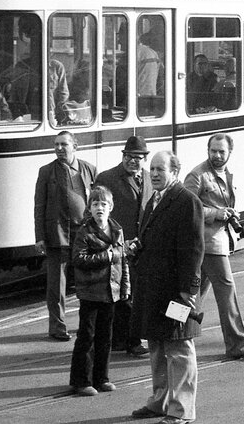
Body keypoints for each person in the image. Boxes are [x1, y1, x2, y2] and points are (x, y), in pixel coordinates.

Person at [129, 150, 204, 424]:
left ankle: (182, 410)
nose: (155, 173)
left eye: (161, 169)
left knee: (179, 347)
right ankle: (160, 401)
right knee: (157, 345)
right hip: (153, 290)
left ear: (175, 171)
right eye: (153, 169)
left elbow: (194, 248)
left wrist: (189, 290)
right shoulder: (154, 200)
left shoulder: (187, 201)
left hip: (176, 293)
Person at [183, 133, 244, 361]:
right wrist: (217, 213)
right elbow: (187, 209)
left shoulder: (226, 174)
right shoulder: (197, 175)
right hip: (208, 243)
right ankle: (237, 343)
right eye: (213, 150)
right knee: (227, 292)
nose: (216, 155)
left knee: (191, 294)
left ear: (229, 153)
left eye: (221, 151)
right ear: (208, 150)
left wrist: (229, 213)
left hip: (218, 240)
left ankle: (172, 332)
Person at [34, 131, 97, 341]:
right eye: (56, 145)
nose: (59, 149)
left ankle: (87, 325)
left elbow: (97, 201)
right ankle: (57, 327)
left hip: (83, 235)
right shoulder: (46, 172)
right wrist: (40, 236)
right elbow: (39, 205)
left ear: (75, 146)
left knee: (86, 283)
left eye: (64, 145)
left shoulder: (89, 170)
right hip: (57, 235)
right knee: (56, 286)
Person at [69, 187, 130, 396]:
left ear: (111, 207)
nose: (99, 208)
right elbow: (78, 259)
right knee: (87, 336)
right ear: (90, 208)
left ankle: (101, 378)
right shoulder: (84, 232)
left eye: (103, 204)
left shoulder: (117, 230)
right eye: (95, 204)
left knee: (106, 337)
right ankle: (81, 380)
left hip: (110, 291)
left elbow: (123, 261)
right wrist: (106, 256)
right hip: (90, 292)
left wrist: (125, 287)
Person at [94, 135, 151, 357]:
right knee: (120, 296)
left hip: (141, 247)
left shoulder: (149, 178)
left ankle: (127, 339)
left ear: (144, 159)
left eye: (137, 158)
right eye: (128, 156)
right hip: (117, 246)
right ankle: (126, 341)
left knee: (133, 295)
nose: (132, 161)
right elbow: (98, 214)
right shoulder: (107, 178)